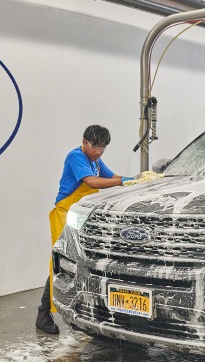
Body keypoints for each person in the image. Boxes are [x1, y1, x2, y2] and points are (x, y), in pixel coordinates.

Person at [36, 125, 133, 334]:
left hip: (81, 216)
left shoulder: (95, 161)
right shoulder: (76, 157)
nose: (99, 151)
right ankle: (43, 314)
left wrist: (135, 181)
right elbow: (91, 183)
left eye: (103, 148)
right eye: (95, 146)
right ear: (84, 142)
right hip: (65, 213)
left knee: (82, 262)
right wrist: (122, 181)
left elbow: (111, 176)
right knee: (61, 264)